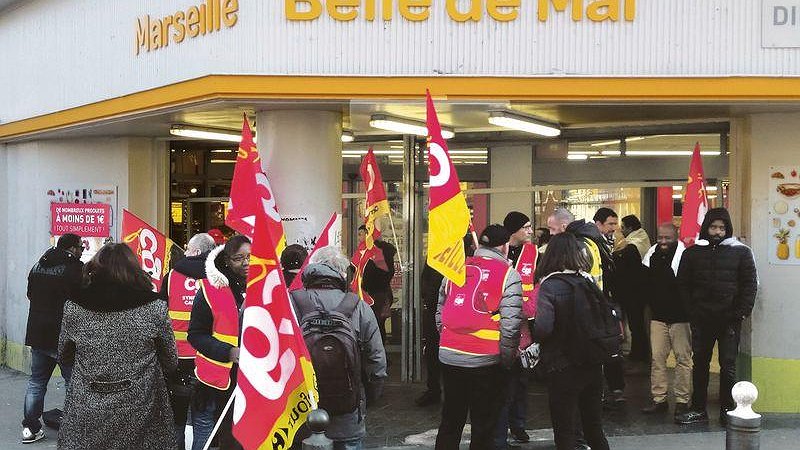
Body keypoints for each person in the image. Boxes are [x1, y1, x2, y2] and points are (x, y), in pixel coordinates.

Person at [57, 243, 177, 449]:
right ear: (134, 270)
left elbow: (64, 356)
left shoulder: (74, 308)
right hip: (142, 407)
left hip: (88, 409)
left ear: (95, 269)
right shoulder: (155, 308)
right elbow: (171, 361)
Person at [435, 225, 523, 450]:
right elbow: (511, 325)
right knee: (483, 423)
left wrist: (449, 341)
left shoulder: (456, 268)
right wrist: (506, 360)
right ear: (504, 246)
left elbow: (440, 312)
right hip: (485, 360)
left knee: (451, 420)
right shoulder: (508, 274)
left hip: (449, 356)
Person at [290, 246, 387, 450]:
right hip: (348, 416)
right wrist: (365, 398)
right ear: (342, 273)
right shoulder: (358, 306)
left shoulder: (292, 302)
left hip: (300, 415)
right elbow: (376, 360)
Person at [676, 208, 757, 425]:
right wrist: (692, 311)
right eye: (713, 227)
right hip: (701, 318)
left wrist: (739, 314)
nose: (717, 232)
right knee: (699, 364)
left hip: (729, 320)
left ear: (727, 229)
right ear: (706, 228)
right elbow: (682, 285)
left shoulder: (741, 252)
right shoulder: (691, 253)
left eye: (722, 228)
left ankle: (727, 410)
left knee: (728, 365)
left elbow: (750, 285)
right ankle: (698, 409)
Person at [533, 233, 610, 450]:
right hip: (592, 361)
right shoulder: (588, 280)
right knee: (594, 426)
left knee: (565, 429)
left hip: (562, 364)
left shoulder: (549, 285)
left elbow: (543, 328)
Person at [188, 235, 251, 450]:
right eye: (238, 258)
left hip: (255, 380)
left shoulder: (265, 288)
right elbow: (195, 334)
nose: (245, 263)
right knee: (220, 436)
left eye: (250, 257)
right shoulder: (209, 289)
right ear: (226, 261)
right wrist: (229, 352)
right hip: (218, 382)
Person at [21, 233, 83, 443]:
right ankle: (72, 429)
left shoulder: (38, 266)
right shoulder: (74, 268)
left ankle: (29, 428)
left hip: (37, 333)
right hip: (63, 336)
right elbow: (83, 299)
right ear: (72, 249)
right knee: (72, 383)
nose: (82, 251)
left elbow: (29, 294)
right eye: (81, 247)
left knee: (36, 382)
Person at [160, 232, 215, 450]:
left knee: (176, 419)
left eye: (188, 249)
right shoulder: (217, 277)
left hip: (175, 357)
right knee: (203, 420)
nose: (185, 253)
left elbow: (160, 315)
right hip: (207, 357)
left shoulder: (172, 276)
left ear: (197, 252)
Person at [493, 211, 536, 448]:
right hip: (500, 327)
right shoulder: (498, 252)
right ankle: (499, 432)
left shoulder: (532, 252)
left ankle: (518, 425)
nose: (530, 231)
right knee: (504, 384)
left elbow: (536, 284)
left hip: (525, 328)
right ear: (514, 230)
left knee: (521, 382)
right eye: (526, 227)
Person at [640, 223, 691, 419]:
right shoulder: (651, 255)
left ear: (676, 236)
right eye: (660, 237)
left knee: (683, 360)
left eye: (667, 238)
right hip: (657, 317)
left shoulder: (686, 256)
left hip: (681, 318)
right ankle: (659, 399)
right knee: (657, 359)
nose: (662, 241)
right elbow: (644, 283)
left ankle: (682, 401)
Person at [612, 215, 652, 364]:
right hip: (640, 291)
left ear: (629, 228)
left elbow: (627, 270)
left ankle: (639, 353)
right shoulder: (642, 238)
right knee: (638, 324)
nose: (621, 230)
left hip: (634, 292)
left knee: (636, 324)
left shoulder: (632, 245)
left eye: (622, 227)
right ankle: (639, 352)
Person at [357, 225, 397, 343]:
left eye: (360, 234)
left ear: (368, 235)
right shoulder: (377, 251)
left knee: (374, 326)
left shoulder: (376, 253)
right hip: (378, 292)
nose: (359, 238)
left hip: (375, 293)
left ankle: (376, 355)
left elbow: (378, 273)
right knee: (377, 325)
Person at [415, 263, 445, 407]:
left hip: (448, 309)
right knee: (432, 352)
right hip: (433, 309)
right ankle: (433, 389)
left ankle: (437, 389)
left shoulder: (460, 252)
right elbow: (425, 279)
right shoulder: (434, 257)